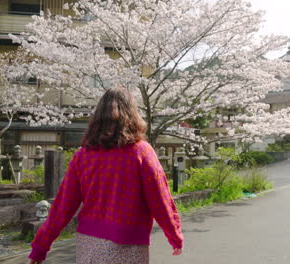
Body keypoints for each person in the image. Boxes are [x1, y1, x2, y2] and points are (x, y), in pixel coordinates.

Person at [27, 88, 183, 264]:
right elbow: (159, 199)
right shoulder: (141, 152)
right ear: (132, 114)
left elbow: (63, 205)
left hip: (88, 244)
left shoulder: (83, 155)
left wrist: (40, 246)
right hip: (128, 245)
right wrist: (174, 234)